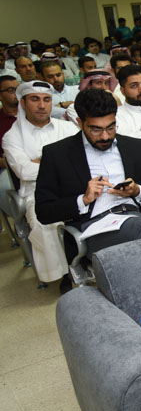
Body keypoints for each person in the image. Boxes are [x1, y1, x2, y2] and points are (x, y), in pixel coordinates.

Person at [34, 88, 141, 254]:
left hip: (136, 217)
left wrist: (137, 191)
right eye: (96, 130)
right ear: (80, 123)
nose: (105, 136)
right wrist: (83, 200)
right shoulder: (57, 154)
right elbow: (43, 212)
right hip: (93, 229)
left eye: (111, 127)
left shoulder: (137, 147)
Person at [3, 81, 79, 287]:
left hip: (74, 185)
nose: (42, 105)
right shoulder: (12, 137)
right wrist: (61, 162)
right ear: (23, 103)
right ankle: (65, 274)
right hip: (37, 193)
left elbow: (81, 160)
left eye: (47, 100)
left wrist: (42, 161)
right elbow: (25, 171)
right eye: (35, 99)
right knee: (44, 222)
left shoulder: (67, 127)